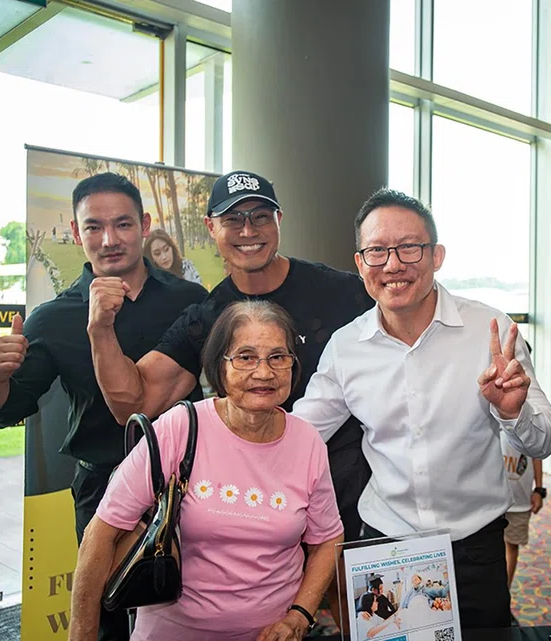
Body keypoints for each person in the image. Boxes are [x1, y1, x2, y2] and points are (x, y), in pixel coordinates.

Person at [86, 170, 374, 620]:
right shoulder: (206, 317)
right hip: (248, 517)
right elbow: (134, 405)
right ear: (211, 228)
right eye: (232, 218)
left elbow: (406, 319)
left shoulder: (343, 292)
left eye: (260, 216)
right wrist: (100, 330)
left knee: (354, 621)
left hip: (343, 501)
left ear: (279, 220)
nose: (247, 230)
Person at [292, 188, 551, 629]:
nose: (393, 264)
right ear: (360, 264)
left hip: (474, 546)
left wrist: (512, 413)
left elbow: (545, 439)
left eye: (409, 248)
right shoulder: (347, 347)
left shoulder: (490, 331)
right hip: (384, 545)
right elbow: (300, 435)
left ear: (436, 256)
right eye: (377, 251)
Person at [0, 172, 208, 641]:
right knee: (106, 612)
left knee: (197, 603)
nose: (109, 240)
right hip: (103, 485)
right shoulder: (54, 317)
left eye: (122, 224)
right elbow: (6, 409)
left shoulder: (190, 300)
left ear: (143, 225)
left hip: (192, 480)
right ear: (77, 234)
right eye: (94, 227)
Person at [69, 300, 344, 641]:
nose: (264, 372)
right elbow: (102, 531)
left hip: (269, 635)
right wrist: (80, 635)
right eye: (245, 357)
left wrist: (299, 616)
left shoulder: (307, 441)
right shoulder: (180, 428)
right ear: (219, 366)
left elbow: (327, 537)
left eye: (278, 357)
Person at [501, 430, 545, 599]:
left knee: (511, 545)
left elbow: (537, 455)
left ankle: (504, 594)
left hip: (519, 501)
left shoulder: (528, 420)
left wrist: (539, 490)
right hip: (492, 499)